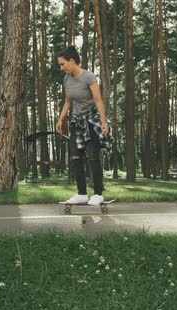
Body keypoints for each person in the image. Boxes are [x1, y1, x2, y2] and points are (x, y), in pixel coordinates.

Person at [56, 46, 111, 205]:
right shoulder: (67, 79)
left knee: (93, 157)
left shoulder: (89, 77)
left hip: (91, 122)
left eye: (62, 64)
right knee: (75, 158)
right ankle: (81, 193)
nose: (61, 68)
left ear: (72, 61)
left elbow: (98, 100)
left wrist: (104, 122)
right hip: (77, 123)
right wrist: (60, 119)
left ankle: (98, 193)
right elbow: (68, 102)